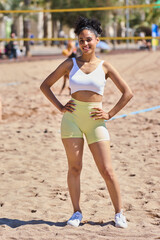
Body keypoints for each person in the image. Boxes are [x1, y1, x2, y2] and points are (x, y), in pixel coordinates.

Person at [40, 16, 133, 228]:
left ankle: (119, 213)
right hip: (71, 120)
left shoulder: (105, 66)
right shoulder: (69, 63)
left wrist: (110, 114)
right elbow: (45, 86)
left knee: (107, 170)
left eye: (89, 39)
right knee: (75, 168)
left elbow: (128, 93)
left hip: (95, 121)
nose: (85, 44)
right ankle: (76, 212)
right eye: (81, 40)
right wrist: (60, 107)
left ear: (97, 40)